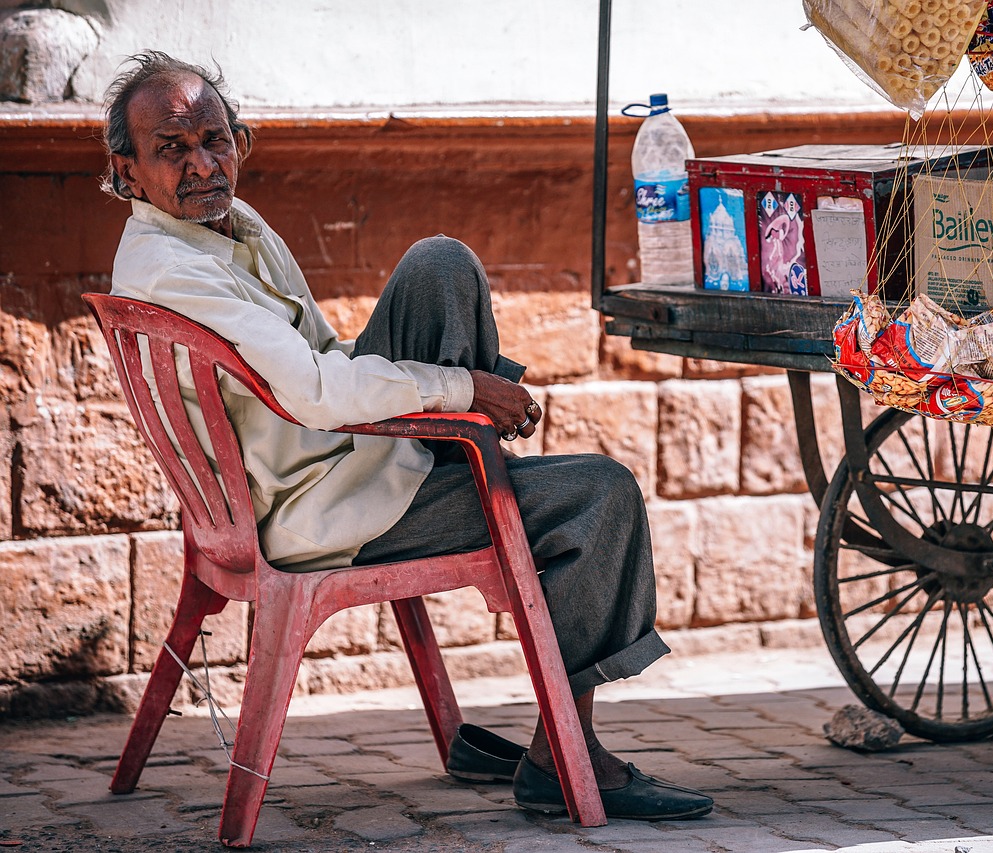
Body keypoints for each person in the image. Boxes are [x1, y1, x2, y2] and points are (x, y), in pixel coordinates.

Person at [101, 50, 712, 822]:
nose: (201, 165)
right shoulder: (172, 267)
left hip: (333, 463)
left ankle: (479, 470)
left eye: (214, 140)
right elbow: (319, 392)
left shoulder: (230, 226)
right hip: (322, 508)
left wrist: (450, 392)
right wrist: (464, 389)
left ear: (240, 142)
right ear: (127, 173)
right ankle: (567, 754)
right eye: (172, 150)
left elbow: (324, 355)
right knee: (600, 495)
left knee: (439, 265)